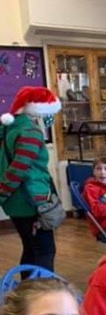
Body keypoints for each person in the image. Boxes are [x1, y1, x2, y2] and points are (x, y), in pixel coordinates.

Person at [0, 86, 62, 271]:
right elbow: (19, 168)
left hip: (15, 202)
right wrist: (3, 192)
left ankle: (28, 288)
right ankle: (42, 288)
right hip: (31, 200)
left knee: (30, 249)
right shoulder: (30, 131)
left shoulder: (9, 127)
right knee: (45, 251)